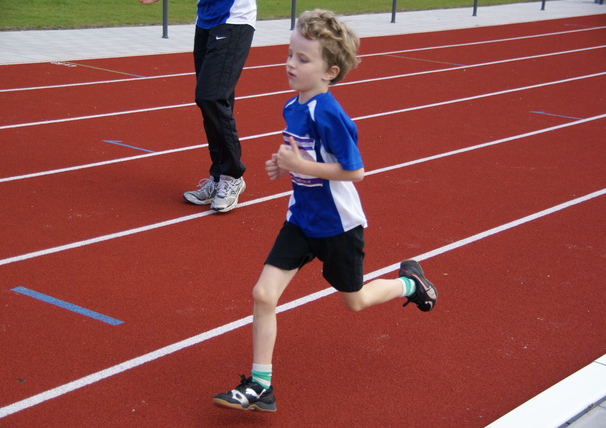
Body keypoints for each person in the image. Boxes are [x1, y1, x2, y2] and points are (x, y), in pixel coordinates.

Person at [212, 9, 438, 413]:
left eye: (302, 59)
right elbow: (301, 157)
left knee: (354, 301)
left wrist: (301, 166)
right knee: (263, 294)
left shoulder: (330, 114)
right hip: (301, 220)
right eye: (289, 54)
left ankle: (410, 283)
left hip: (338, 226)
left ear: (330, 71)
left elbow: (355, 171)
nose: (290, 64)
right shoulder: (293, 106)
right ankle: (261, 385)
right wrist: (282, 166)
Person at [139, 0, 256, 212]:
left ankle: (232, 176)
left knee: (211, 97)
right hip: (206, 21)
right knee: (214, 101)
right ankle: (220, 175)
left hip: (233, 20)